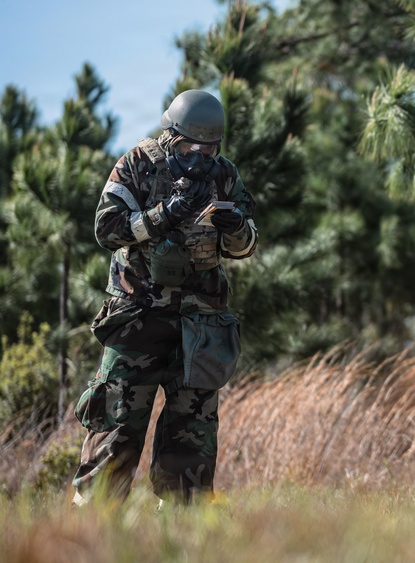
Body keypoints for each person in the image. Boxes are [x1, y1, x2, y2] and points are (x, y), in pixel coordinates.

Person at [71, 89, 258, 506]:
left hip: (200, 329)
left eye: (208, 147)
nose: (198, 154)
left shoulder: (224, 175)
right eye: (189, 145)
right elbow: (107, 228)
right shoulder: (138, 164)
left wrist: (235, 227)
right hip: (137, 324)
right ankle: (91, 532)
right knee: (115, 431)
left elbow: (246, 246)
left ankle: (181, 535)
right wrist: (162, 216)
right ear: (170, 134)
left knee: (190, 446)